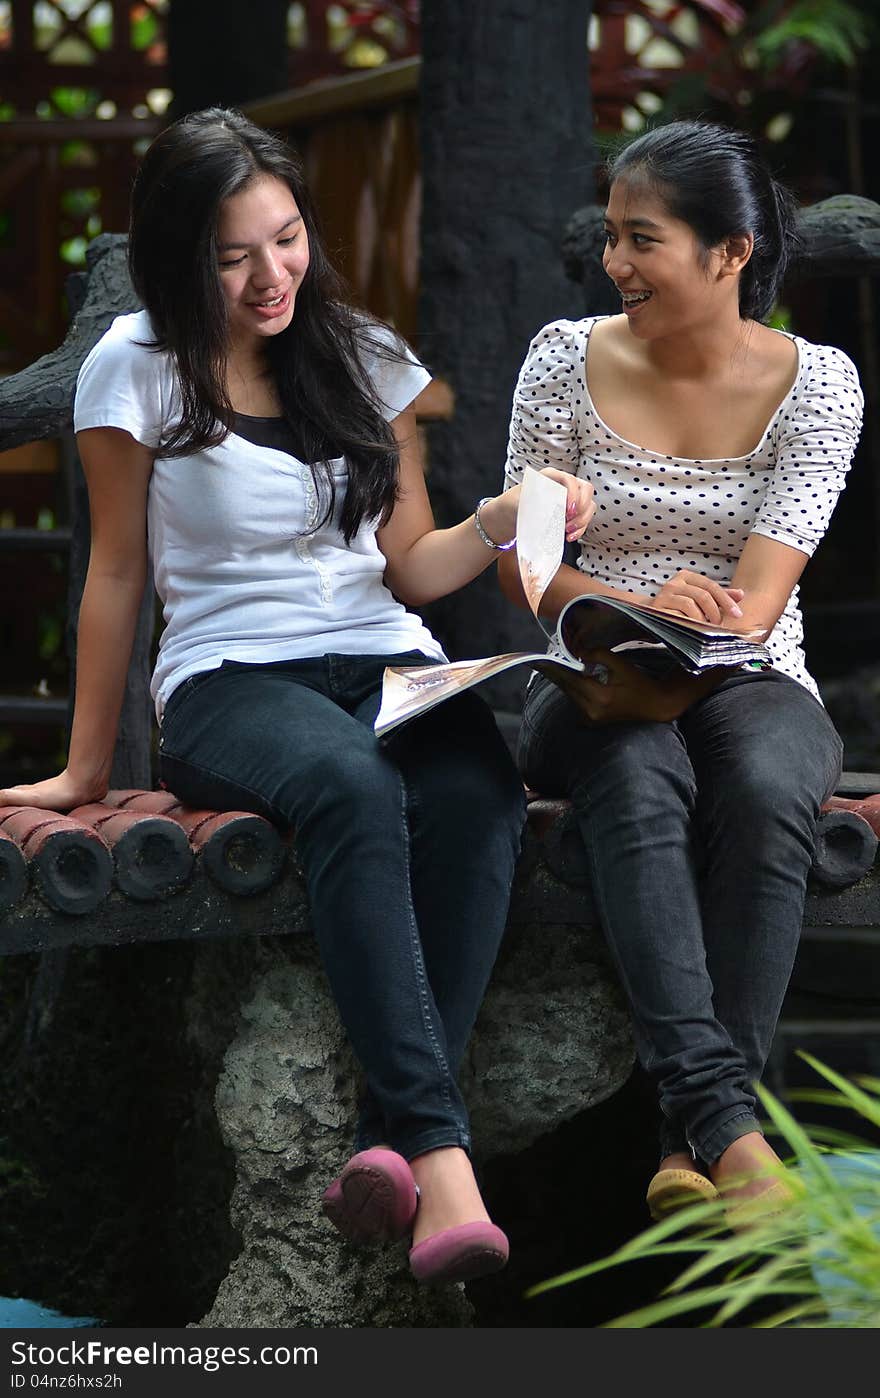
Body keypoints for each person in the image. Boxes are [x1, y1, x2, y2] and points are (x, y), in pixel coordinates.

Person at [0, 107, 594, 1284]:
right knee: (351, 787)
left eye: (285, 239)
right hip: (231, 681)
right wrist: (84, 765)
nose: (271, 274)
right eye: (233, 256)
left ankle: (384, 1140)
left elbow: (411, 567)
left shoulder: (363, 353)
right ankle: (440, 1154)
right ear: (180, 257)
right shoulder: (135, 368)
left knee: (476, 790)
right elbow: (117, 571)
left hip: (383, 656)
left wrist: (502, 518)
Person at [499, 120, 863, 1229]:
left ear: (729, 253)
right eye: (610, 237)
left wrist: (703, 617)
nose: (613, 263)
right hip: (592, 668)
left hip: (751, 669)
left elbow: (756, 600)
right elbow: (528, 562)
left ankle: (690, 1136)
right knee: (637, 769)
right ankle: (724, 1123)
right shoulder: (564, 356)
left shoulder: (820, 384)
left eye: (640, 239)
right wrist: (620, 607)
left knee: (764, 785)